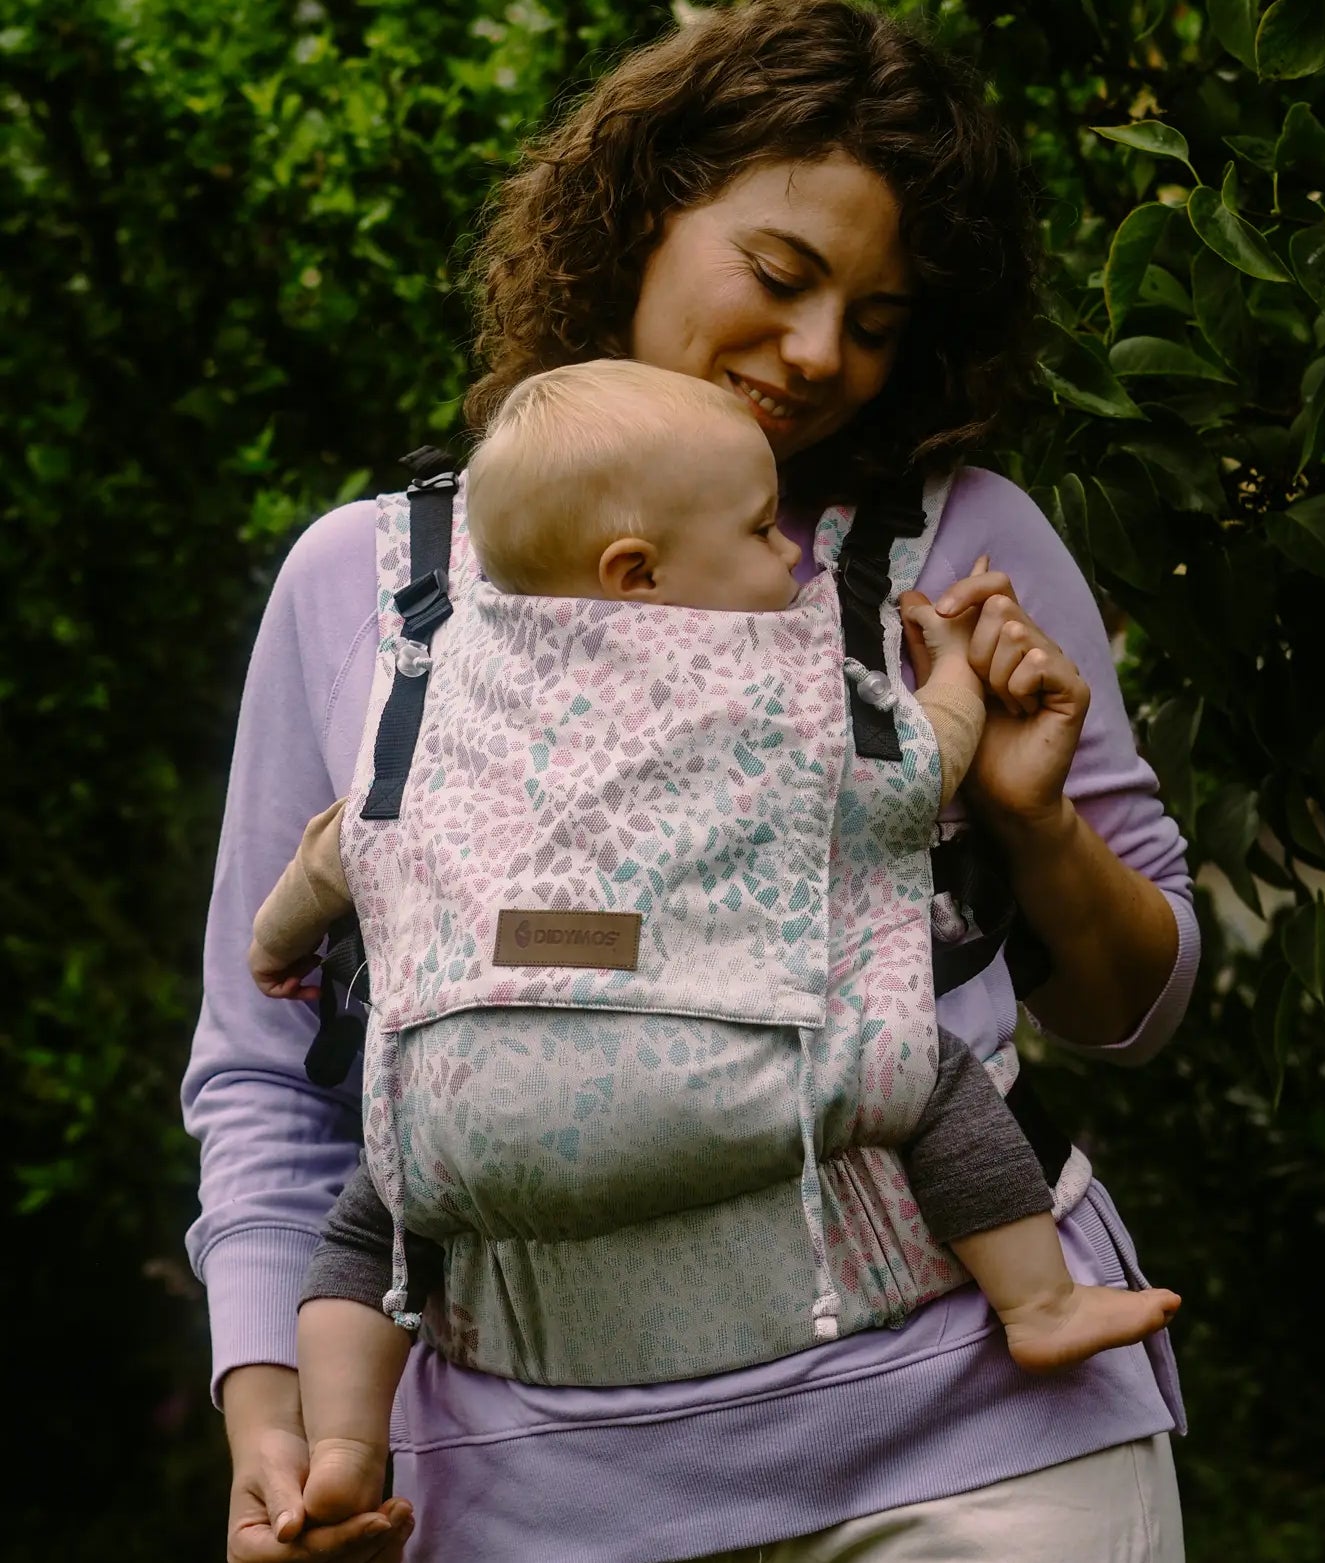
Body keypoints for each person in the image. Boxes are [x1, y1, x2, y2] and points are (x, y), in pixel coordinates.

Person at [184, 5, 1198, 1560]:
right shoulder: (365, 581)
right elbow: (271, 1069)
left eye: (876, 318)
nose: (816, 355)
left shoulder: (963, 548)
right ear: (642, 209)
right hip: (519, 1486)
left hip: (975, 1437)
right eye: (783, 277)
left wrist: (1030, 817)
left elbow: (1137, 1002)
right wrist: (275, 1431)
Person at [242, 357, 1180, 1532]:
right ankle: (1039, 1303)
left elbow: (336, 852)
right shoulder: (769, 689)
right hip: (743, 1085)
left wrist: (276, 948)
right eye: (754, 530)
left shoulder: (425, 695)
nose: (786, 556)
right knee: (927, 1076)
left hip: (475, 1108)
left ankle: (339, 1439)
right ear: (635, 574)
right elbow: (911, 773)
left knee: (373, 1215)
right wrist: (946, 685)